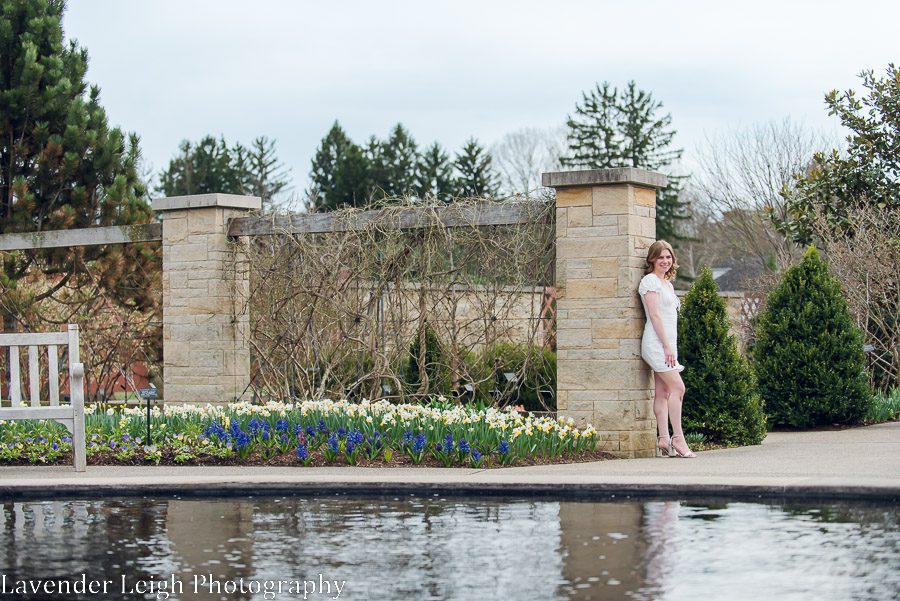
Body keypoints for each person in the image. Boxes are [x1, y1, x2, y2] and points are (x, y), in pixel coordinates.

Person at [638, 240, 696, 458]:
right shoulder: (650, 281)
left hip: (668, 345)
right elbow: (654, 316)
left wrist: (671, 347)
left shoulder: (667, 284)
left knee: (663, 392)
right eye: (660, 257)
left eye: (668, 257)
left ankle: (663, 438)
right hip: (657, 345)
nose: (665, 261)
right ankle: (678, 438)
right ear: (652, 259)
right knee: (678, 388)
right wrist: (667, 347)